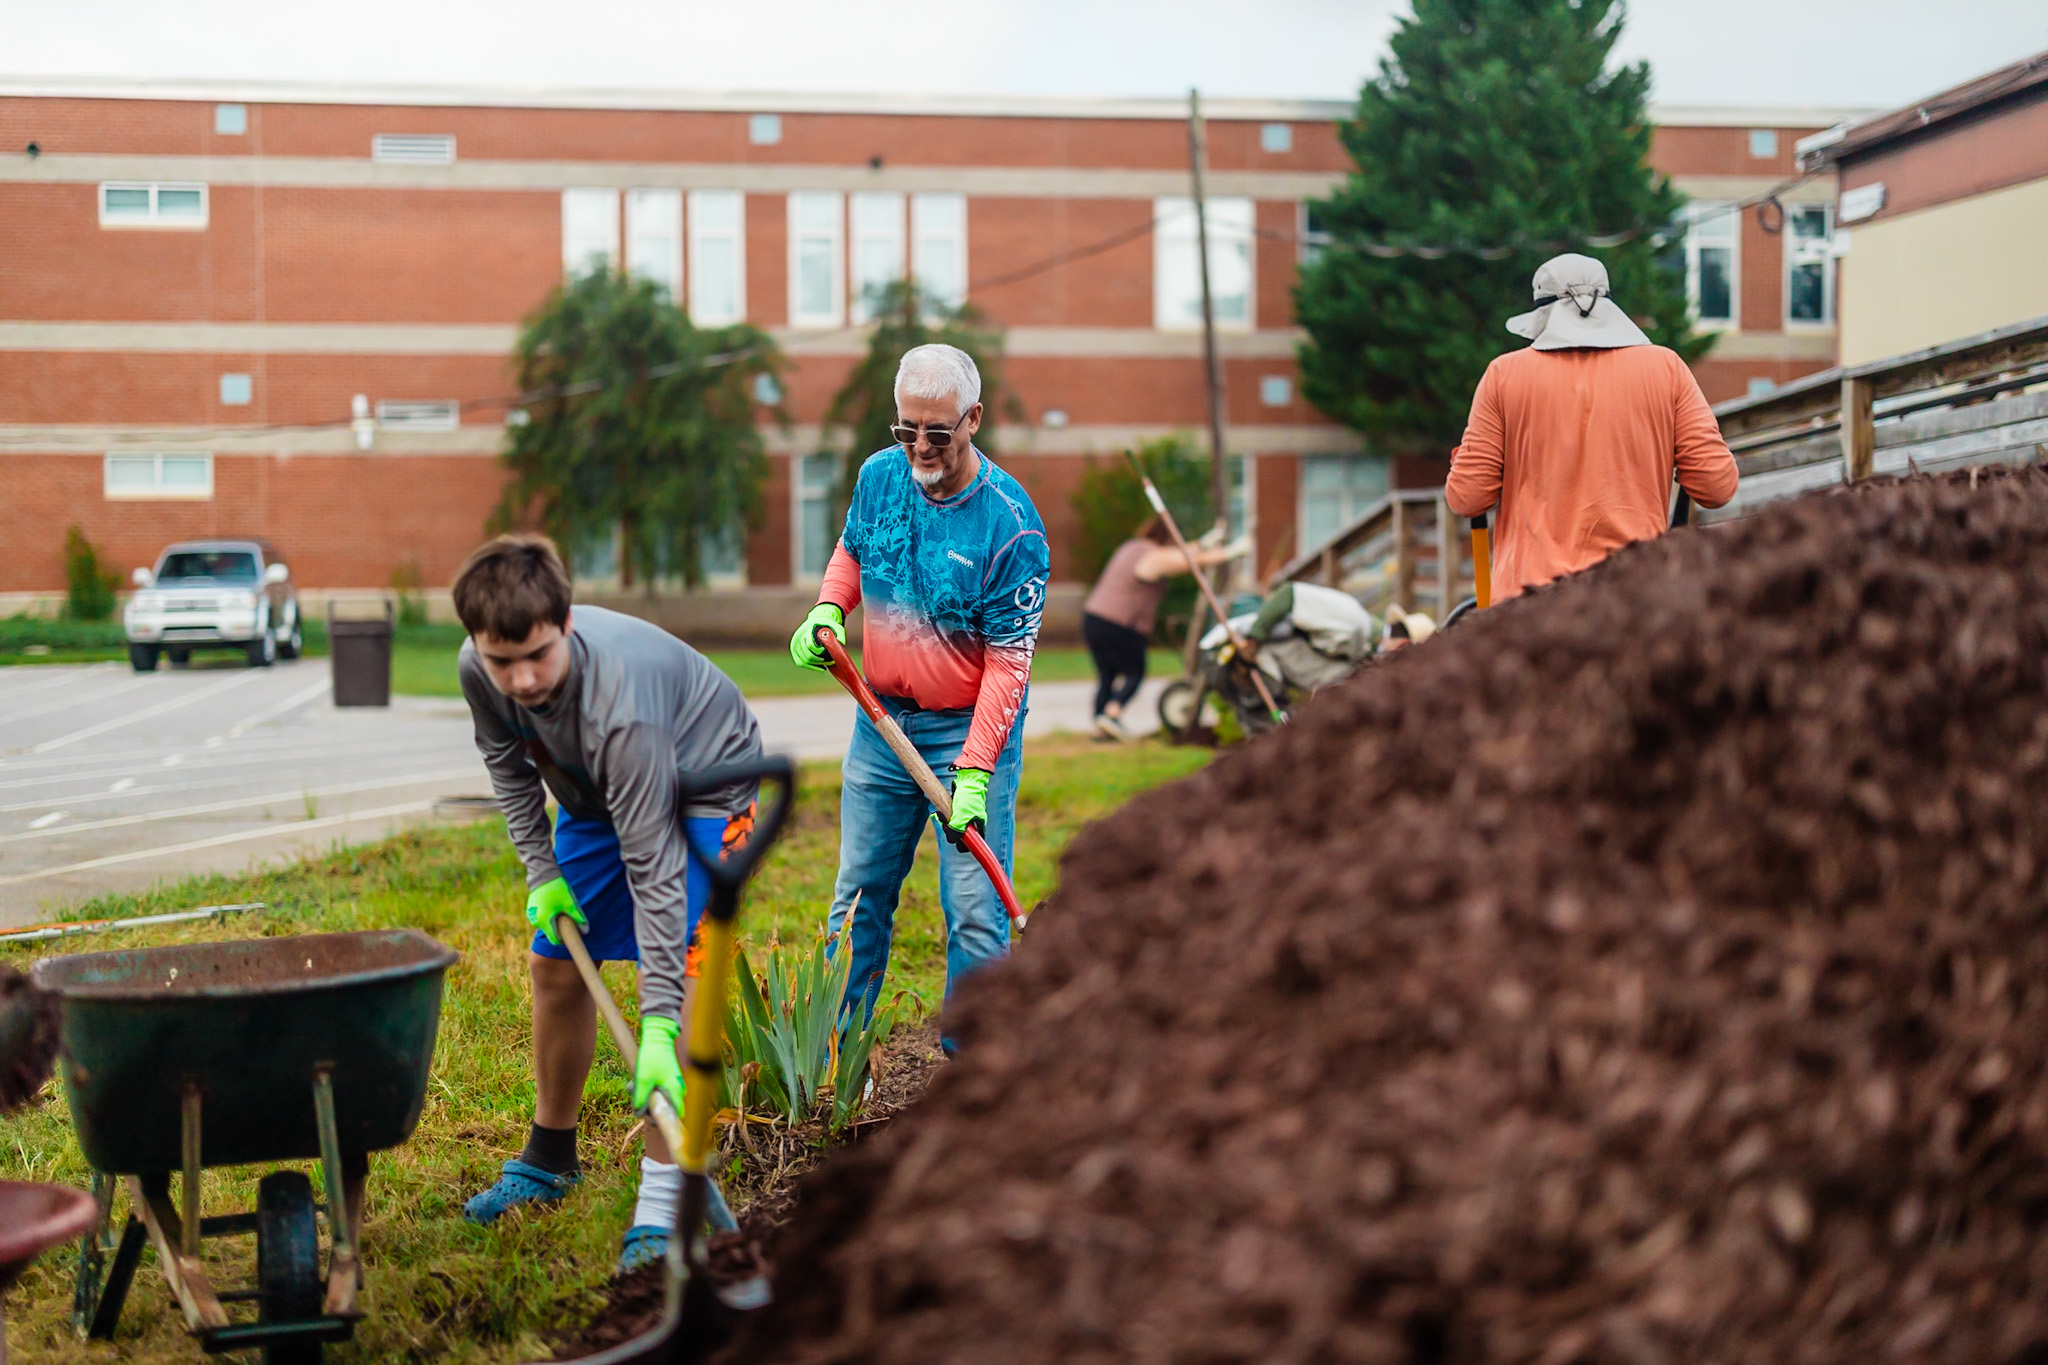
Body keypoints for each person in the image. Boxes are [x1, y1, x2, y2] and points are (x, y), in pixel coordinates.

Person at [451, 534, 764, 1274]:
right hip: (591, 791)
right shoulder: (481, 669)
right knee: (557, 960)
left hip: (705, 779)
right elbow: (507, 765)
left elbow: (654, 870)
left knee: (684, 983)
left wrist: (653, 1026)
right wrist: (541, 872)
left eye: (538, 655)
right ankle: (550, 1157)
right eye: (503, 661)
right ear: (477, 645)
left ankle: (663, 1204)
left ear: (565, 625)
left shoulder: (623, 704)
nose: (522, 679)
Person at [787, 344, 1048, 1033]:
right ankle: (837, 1061)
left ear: (974, 420)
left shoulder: (1010, 526)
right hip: (881, 727)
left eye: (939, 431)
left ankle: (974, 1074)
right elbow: (853, 547)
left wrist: (975, 771)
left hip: (967, 730)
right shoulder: (880, 475)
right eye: (908, 430)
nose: (921, 448)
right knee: (858, 895)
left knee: (973, 913)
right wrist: (827, 606)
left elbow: (1010, 665)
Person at [1447, 253, 1739, 600]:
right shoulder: (1667, 368)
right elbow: (1716, 486)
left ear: (1543, 314)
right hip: (1636, 599)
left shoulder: (1503, 376)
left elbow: (1467, 498)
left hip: (1527, 608)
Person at [1081, 517, 1247, 741]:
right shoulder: (1153, 557)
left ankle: (1100, 726)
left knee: (1107, 676)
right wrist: (1230, 552)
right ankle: (1112, 713)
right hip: (1119, 623)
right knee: (1135, 671)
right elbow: (1187, 561)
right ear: (1166, 539)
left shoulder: (1132, 547)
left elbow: (1184, 552)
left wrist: (1206, 541)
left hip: (1093, 618)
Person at [1236, 580, 1378, 695]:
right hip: (1264, 640)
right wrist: (1254, 637)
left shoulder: (1358, 649)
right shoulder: (1351, 619)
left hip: (1319, 653)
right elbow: (1288, 594)